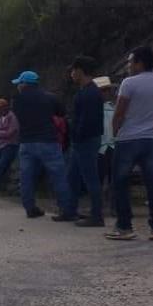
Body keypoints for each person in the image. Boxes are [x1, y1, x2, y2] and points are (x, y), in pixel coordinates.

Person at [106, 47, 153, 241]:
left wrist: (115, 133)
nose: (128, 66)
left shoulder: (129, 83)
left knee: (120, 181)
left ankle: (125, 227)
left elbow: (119, 113)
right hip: (152, 140)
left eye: (130, 62)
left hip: (128, 139)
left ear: (139, 63)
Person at [11, 71, 72, 219]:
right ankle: (66, 210)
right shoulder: (50, 97)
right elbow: (61, 113)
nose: (18, 86)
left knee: (26, 177)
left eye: (19, 83)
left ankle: (30, 208)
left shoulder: (17, 100)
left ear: (25, 84)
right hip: (48, 141)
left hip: (26, 143)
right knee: (58, 177)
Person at [63, 56, 105, 227]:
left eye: (73, 70)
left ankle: (97, 215)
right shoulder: (85, 91)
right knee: (72, 176)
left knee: (91, 178)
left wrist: (77, 135)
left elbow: (88, 121)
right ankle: (70, 211)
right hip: (80, 141)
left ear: (80, 70)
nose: (71, 74)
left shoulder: (90, 92)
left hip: (86, 141)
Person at [94, 76, 116, 190]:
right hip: (102, 147)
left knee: (111, 176)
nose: (105, 93)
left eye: (107, 90)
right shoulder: (94, 108)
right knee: (101, 176)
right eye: (103, 90)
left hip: (109, 147)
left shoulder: (114, 108)